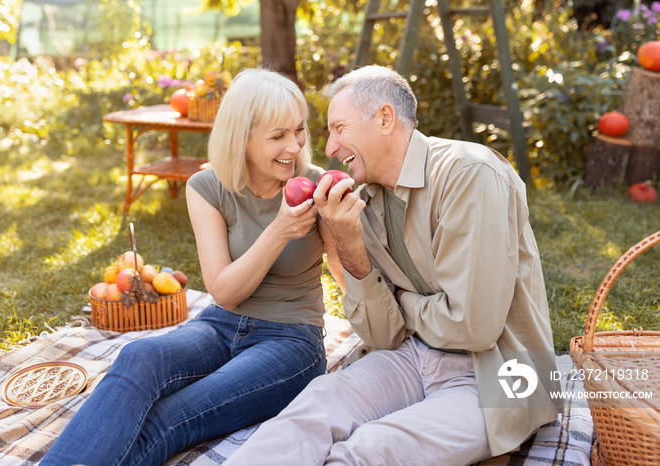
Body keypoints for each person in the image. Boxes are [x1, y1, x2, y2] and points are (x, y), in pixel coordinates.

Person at [224, 65, 561, 465]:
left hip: (495, 374)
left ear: (385, 118)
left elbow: (474, 326)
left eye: (339, 128)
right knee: (306, 415)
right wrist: (349, 243)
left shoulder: (469, 174)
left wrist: (401, 303)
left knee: (371, 450)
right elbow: (384, 335)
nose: (329, 148)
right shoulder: (362, 203)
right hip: (410, 356)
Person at [42, 68, 345, 466]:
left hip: (290, 341)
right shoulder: (207, 188)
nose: (295, 145)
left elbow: (349, 274)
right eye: (277, 136)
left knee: (173, 416)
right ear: (242, 138)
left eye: (299, 130)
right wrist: (279, 230)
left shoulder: (319, 187)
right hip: (220, 323)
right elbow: (224, 291)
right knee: (138, 358)